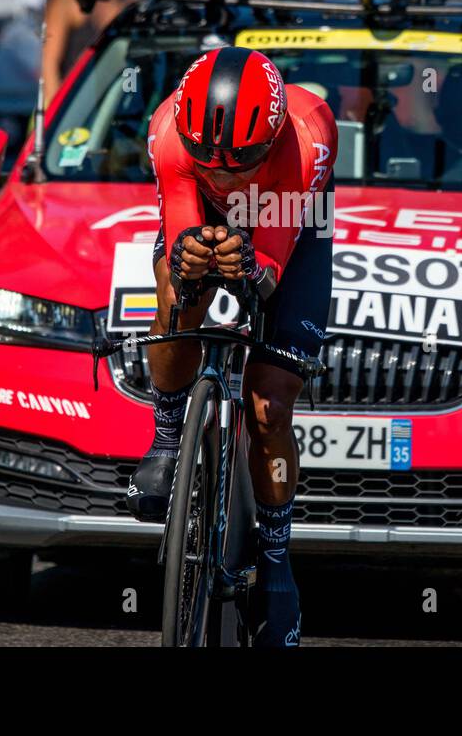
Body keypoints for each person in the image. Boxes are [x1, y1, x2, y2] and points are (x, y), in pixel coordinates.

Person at [133, 46, 337, 647]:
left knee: (271, 404)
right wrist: (192, 258)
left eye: (239, 163)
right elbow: (180, 228)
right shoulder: (170, 129)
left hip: (288, 213)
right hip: (199, 212)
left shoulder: (307, 134)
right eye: (210, 165)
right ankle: (168, 437)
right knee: (177, 286)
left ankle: (276, 561)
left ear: (268, 140)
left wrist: (253, 263)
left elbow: (271, 267)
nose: (223, 178)